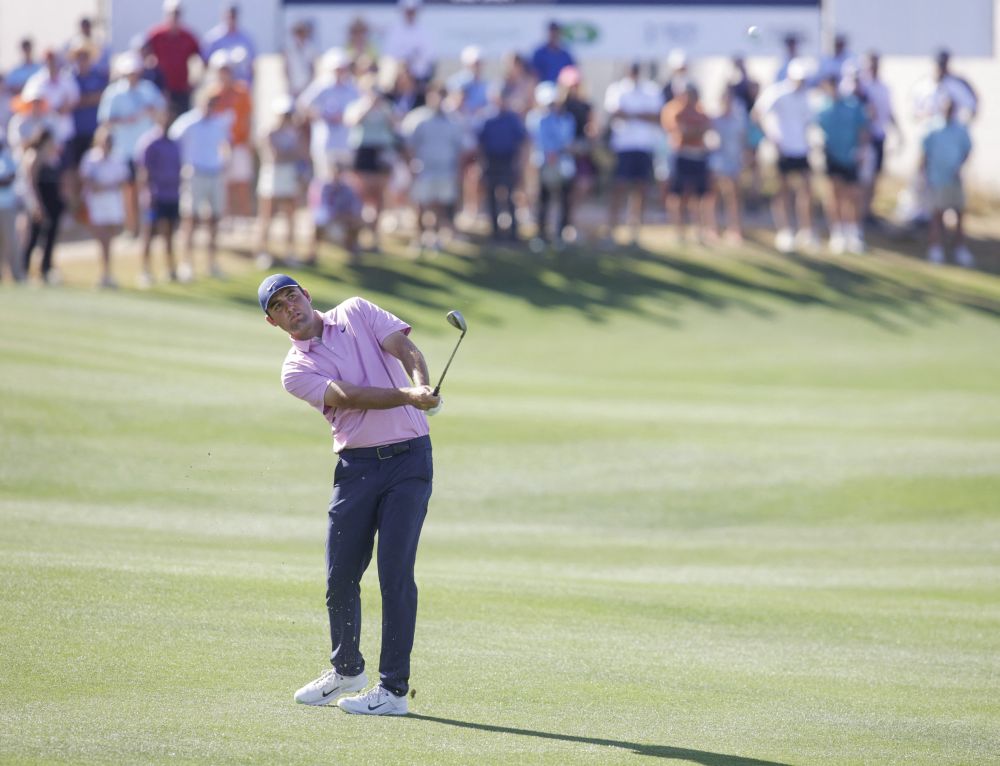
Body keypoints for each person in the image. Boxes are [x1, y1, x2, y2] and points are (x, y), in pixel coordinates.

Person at [259, 273, 439, 716]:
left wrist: (422, 385)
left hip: (409, 462)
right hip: (356, 468)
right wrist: (408, 396)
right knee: (340, 576)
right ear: (273, 322)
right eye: (279, 307)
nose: (291, 308)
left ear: (307, 294)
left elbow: (405, 348)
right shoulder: (295, 370)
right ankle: (347, 669)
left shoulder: (357, 310)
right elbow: (348, 396)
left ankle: (394, 690)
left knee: (395, 573)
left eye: (292, 296)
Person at [98, 52, 165, 238]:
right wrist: (125, 120)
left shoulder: (148, 90)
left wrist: (153, 112)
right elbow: (105, 121)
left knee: (147, 190)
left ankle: (149, 227)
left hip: (148, 150)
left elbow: (162, 112)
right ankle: (131, 227)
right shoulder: (113, 93)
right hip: (124, 149)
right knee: (129, 190)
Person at [755, 58, 816, 253]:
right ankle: (785, 232)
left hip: (802, 150)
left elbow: (808, 122)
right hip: (783, 150)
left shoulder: (807, 96)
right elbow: (758, 114)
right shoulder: (778, 92)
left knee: (806, 190)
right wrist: (772, 137)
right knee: (783, 191)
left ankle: (806, 231)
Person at [169, 94, 232, 280]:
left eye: (214, 103)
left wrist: (225, 162)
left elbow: (225, 145)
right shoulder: (187, 122)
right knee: (191, 219)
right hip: (194, 173)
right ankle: (187, 263)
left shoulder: (218, 123)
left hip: (214, 173)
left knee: (214, 219)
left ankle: (212, 263)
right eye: (208, 102)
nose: (211, 106)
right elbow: (173, 142)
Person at [603, 61, 664, 244]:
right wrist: (640, 115)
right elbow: (616, 112)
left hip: (644, 146)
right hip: (624, 147)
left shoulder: (651, 90)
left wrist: (631, 115)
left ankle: (634, 231)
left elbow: (655, 116)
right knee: (619, 187)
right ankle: (612, 229)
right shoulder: (617, 89)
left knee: (641, 188)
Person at [401, 83, 465, 252]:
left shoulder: (453, 120)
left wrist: (458, 170)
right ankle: (419, 237)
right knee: (420, 204)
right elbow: (408, 145)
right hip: (423, 169)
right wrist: (411, 166)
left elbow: (459, 147)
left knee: (439, 204)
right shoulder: (417, 118)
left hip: (445, 169)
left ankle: (434, 237)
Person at [344, 76, 398, 251]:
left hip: (381, 150)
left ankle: (375, 236)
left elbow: (394, 125)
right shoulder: (357, 106)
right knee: (361, 194)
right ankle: (357, 236)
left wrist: (382, 108)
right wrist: (369, 105)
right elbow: (352, 122)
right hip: (363, 151)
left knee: (379, 196)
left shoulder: (386, 107)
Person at [817, 75, 869, 254]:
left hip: (851, 156)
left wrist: (861, 150)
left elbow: (863, 129)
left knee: (853, 195)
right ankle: (837, 232)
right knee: (834, 194)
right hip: (831, 157)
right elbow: (816, 130)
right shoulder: (822, 108)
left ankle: (853, 232)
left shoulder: (852, 105)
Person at [922, 99, 973, 267]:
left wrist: (959, 166)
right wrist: (922, 175)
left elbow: (967, 150)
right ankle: (935, 248)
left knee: (959, 213)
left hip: (954, 178)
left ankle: (959, 249)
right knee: (937, 214)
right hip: (936, 178)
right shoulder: (932, 127)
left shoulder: (960, 129)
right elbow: (924, 153)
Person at [135, 108, 182, 286]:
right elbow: (143, 171)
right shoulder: (150, 142)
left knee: (169, 233)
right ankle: (145, 271)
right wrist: (147, 193)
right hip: (154, 195)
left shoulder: (174, 143)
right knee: (149, 233)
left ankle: (170, 269)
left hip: (172, 194)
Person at [661, 83, 713, 244]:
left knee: (699, 195)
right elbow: (681, 132)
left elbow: (705, 128)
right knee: (678, 194)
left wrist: (692, 131)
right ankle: (679, 230)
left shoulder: (701, 112)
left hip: (698, 156)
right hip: (681, 155)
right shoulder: (674, 111)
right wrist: (694, 131)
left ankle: (699, 230)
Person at [256, 95, 304, 265]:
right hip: (273, 175)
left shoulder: (294, 134)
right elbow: (275, 156)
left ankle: (290, 252)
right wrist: (289, 154)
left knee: (290, 215)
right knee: (267, 214)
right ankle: (262, 251)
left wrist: (288, 155)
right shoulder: (268, 132)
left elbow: (300, 153)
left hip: (289, 175)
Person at [207, 51, 253, 225]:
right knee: (224, 185)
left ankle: (244, 218)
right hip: (221, 146)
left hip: (240, 143)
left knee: (241, 183)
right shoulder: (213, 94)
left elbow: (247, 118)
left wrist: (246, 141)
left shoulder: (242, 91)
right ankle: (225, 219)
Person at [298, 48, 358, 182]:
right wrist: (322, 115)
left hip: (346, 141)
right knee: (325, 179)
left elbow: (358, 108)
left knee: (345, 180)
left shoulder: (352, 87)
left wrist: (346, 117)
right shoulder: (322, 85)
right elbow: (303, 104)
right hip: (325, 141)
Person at [527, 81, 575, 248]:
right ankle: (541, 235)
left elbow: (567, 140)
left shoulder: (566, 118)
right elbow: (538, 139)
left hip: (562, 162)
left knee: (563, 199)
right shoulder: (536, 118)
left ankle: (560, 234)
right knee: (543, 200)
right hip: (544, 162)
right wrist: (550, 152)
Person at [80, 126, 129, 287]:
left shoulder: (118, 158)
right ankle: (105, 273)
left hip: (112, 201)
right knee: (102, 237)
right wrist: (102, 186)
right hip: (97, 202)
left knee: (110, 236)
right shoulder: (90, 158)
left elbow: (122, 181)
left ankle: (107, 273)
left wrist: (106, 186)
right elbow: (87, 181)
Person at [478, 88, 528, 242]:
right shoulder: (487, 118)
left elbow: (522, 141)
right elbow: (481, 143)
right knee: (492, 197)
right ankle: (494, 232)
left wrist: (520, 163)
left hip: (508, 160)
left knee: (510, 197)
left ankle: (513, 232)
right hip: (491, 160)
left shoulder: (513, 119)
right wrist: (481, 163)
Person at [857, 52, 899, 224]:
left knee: (874, 176)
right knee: (862, 177)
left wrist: (898, 132)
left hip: (879, 136)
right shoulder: (860, 87)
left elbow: (888, 112)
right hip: (863, 139)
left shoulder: (884, 88)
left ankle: (868, 211)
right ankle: (858, 212)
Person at [20, 129, 65, 284]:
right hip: (41, 202)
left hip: (53, 203)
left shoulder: (51, 157)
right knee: (34, 236)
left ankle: (45, 268)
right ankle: (23, 269)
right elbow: (31, 183)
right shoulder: (34, 155)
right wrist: (36, 205)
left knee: (50, 236)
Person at [146, 0, 203, 114]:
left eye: (177, 13)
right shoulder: (156, 35)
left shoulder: (188, 36)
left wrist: (196, 80)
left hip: (182, 89)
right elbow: (145, 56)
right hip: (161, 89)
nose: (174, 17)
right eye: (171, 13)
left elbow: (199, 59)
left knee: (182, 121)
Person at [707, 86, 746, 244]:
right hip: (716, 162)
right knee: (713, 196)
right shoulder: (714, 120)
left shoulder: (738, 120)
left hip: (733, 161)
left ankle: (734, 229)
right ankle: (712, 228)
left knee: (733, 196)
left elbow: (742, 141)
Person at [307, 157, 363, 264]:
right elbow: (324, 211)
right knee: (317, 224)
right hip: (328, 222)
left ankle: (351, 250)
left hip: (342, 222)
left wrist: (345, 217)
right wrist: (341, 216)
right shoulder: (323, 187)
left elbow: (355, 208)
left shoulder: (348, 188)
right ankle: (313, 254)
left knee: (357, 221)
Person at [23, 49, 80, 149]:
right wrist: (51, 109)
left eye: (54, 61)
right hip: (43, 133)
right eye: (49, 61)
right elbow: (28, 103)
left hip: (65, 130)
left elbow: (75, 100)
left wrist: (65, 107)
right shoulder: (36, 81)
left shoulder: (67, 79)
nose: (52, 64)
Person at [382, 0, 434, 84]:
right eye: (407, 11)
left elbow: (429, 55)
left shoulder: (424, 31)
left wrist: (411, 61)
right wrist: (402, 63)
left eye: (412, 11)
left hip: (417, 72)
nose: (410, 14)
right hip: (397, 70)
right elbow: (388, 53)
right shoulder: (394, 30)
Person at [203, 3, 257, 84]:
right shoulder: (213, 38)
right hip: (220, 89)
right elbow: (205, 63)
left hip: (240, 88)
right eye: (229, 16)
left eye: (233, 16)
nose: (231, 19)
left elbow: (251, 66)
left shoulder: (246, 39)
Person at [0, 130, 25, 283]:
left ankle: (16, 274)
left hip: (7, 205)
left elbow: (10, 177)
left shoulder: (7, 157)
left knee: (11, 241)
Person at [284, 20, 319, 99]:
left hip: (307, 85)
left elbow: (312, 68)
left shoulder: (310, 48)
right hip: (294, 86)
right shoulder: (290, 49)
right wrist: (289, 85)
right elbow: (286, 68)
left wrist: (310, 85)